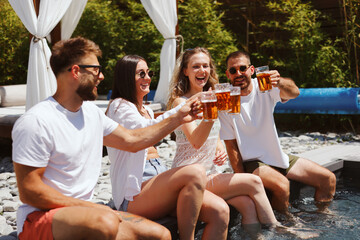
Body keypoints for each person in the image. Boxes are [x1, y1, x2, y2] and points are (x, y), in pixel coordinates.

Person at [12, 37, 201, 240]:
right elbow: (29, 191)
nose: (101, 76)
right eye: (96, 70)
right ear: (75, 71)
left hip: (86, 213)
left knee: (161, 234)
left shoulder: (91, 114)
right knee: (106, 222)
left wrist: (179, 117)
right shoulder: (37, 121)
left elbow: (132, 140)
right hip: (39, 219)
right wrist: (93, 208)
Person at [106, 55, 230, 240]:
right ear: (126, 77)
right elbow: (144, 131)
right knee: (195, 172)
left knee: (220, 210)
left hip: (157, 178)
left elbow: (159, 125)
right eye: (141, 74)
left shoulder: (146, 109)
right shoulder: (119, 106)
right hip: (133, 192)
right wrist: (183, 109)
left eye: (149, 73)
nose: (148, 78)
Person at [167, 47, 279, 232]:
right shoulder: (181, 102)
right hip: (189, 176)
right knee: (254, 182)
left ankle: (260, 238)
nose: (202, 70)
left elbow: (214, 134)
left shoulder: (214, 95)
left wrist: (218, 147)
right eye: (196, 66)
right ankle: (279, 231)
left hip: (211, 172)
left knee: (248, 205)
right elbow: (195, 141)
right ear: (185, 71)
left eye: (205, 66)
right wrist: (212, 113)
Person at [219, 50, 337, 212]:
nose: (238, 73)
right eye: (233, 70)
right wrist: (242, 180)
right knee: (282, 186)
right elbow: (231, 145)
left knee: (327, 179)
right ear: (228, 74)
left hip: (276, 156)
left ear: (251, 70)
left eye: (242, 68)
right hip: (252, 162)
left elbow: (294, 93)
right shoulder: (225, 101)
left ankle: (322, 219)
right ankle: (285, 228)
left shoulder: (264, 86)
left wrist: (279, 81)